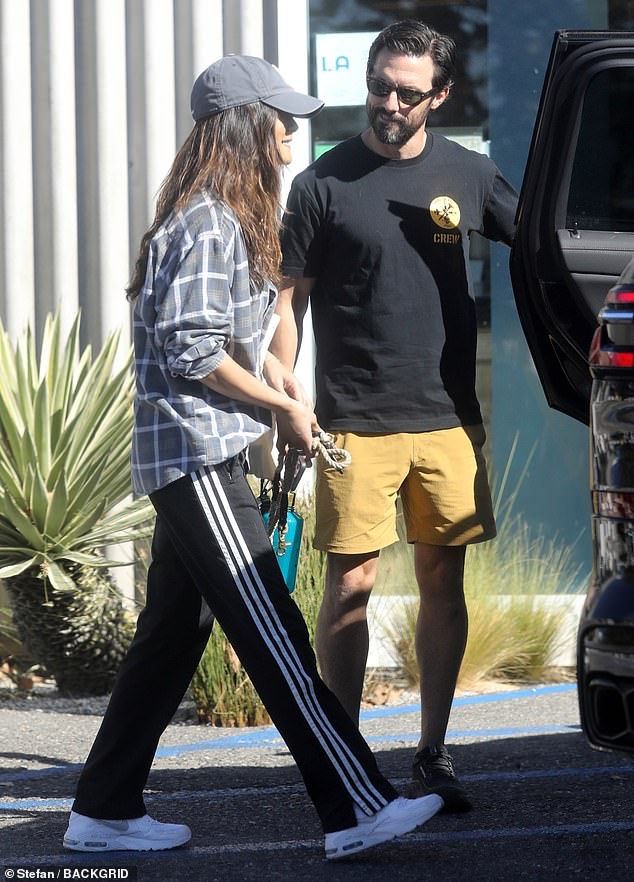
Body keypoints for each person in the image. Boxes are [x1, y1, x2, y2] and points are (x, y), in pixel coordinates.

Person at [62, 54, 444, 861]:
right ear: (244, 126)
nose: (291, 131)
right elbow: (195, 352)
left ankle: (103, 808)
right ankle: (355, 807)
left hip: (199, 457)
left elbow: (228, 337)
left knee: (170, 634)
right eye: (280, 117)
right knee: (276, 636)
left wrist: (278, 385)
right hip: (199, 461)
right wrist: (284, 406)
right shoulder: (206, 221)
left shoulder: (221, 214)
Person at [275, 20, 518, 812]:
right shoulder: (323, 182)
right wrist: (287, 393)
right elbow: (290, 299)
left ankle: (433, 751)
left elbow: (544, 244)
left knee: (442, 582)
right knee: (351, 584)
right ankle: (341, 756)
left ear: (440, 96)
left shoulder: (471, 175)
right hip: (354, 417)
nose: (387, 103)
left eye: (407, 93)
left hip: (448, 416)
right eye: (379, 85)